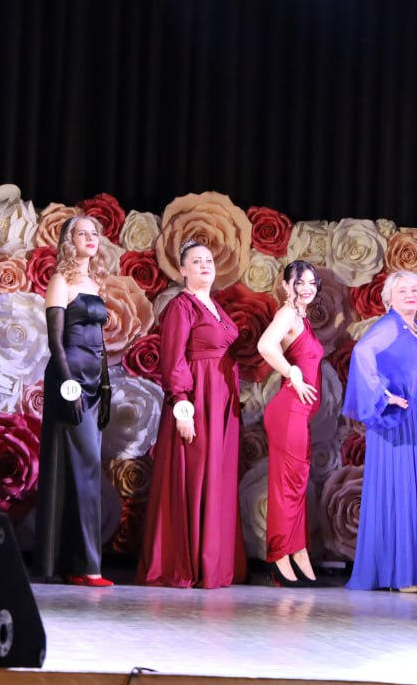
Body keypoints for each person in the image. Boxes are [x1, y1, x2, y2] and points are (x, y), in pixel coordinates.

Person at [137, 241, 246, 589]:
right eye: (196, 262)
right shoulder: (181, 306)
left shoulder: (215, 306)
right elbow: (173, 360)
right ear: (182, 270)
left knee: (216, 478)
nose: (205, 265)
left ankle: (215, 563)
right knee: (195, 476)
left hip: (222, 402)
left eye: (208, 260)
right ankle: (187, 562)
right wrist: (183, 407)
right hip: (198, 399)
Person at [344, 270, 417, 593]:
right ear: (388, 298)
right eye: (402, 290)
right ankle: (401, 573)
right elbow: (362, 353)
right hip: (400, 418)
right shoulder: (390, 325)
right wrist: (383, 393)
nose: (410, 295)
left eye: (415, 290)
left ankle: (413, 568)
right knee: (402, 487)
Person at [35, 215, 113, 586]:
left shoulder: (94, 283)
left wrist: (106, 387)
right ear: (69, 241)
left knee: (86, 469)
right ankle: (86, 566)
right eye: (82, 233)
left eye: (94, 232)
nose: (90, 237)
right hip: (71, 380)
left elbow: (100, 344)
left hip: (95, 383)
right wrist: (70, 386)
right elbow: (56, 342)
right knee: (83, 470)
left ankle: (75, 562)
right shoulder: (59, 281)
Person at [256, 260, 322, 586]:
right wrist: (291, 372)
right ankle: (279, 554)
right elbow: (265, 345)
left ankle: (298, 551)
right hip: (288, 412)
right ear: (286, 286)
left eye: (311, 282)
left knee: (296, 485)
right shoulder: (287, 315)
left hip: (299, 414)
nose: (306, 288)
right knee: (287, 487)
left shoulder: (301, 317)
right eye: (299, 282)